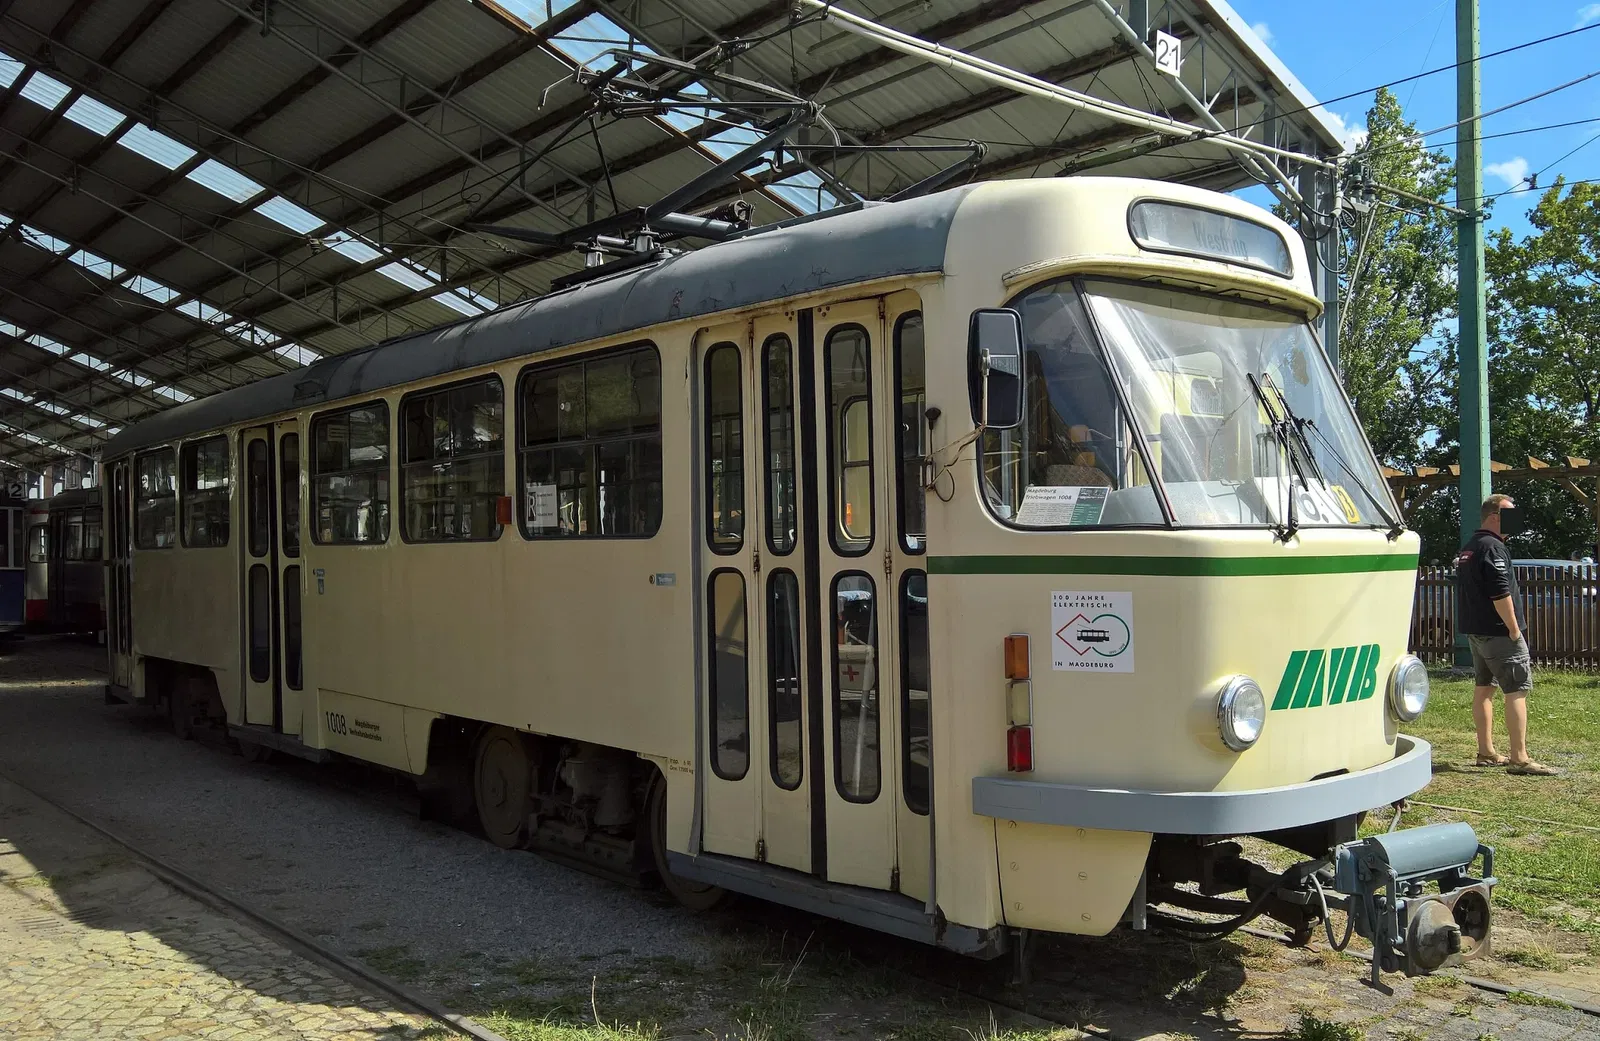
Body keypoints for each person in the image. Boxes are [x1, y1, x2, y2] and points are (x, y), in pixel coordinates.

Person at [1454, 494, 1561, 776]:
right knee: (1517, 690)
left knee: (1484, 689)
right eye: (1510, 515)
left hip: (1477, 633)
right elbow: (1500, 591)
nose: (1516, 522)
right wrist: (1513, 629)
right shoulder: (1493, 547)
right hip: (1499, 634)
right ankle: (1519, 758)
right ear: (1494, 517)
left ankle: (1486, 752)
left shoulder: (1471, 546)